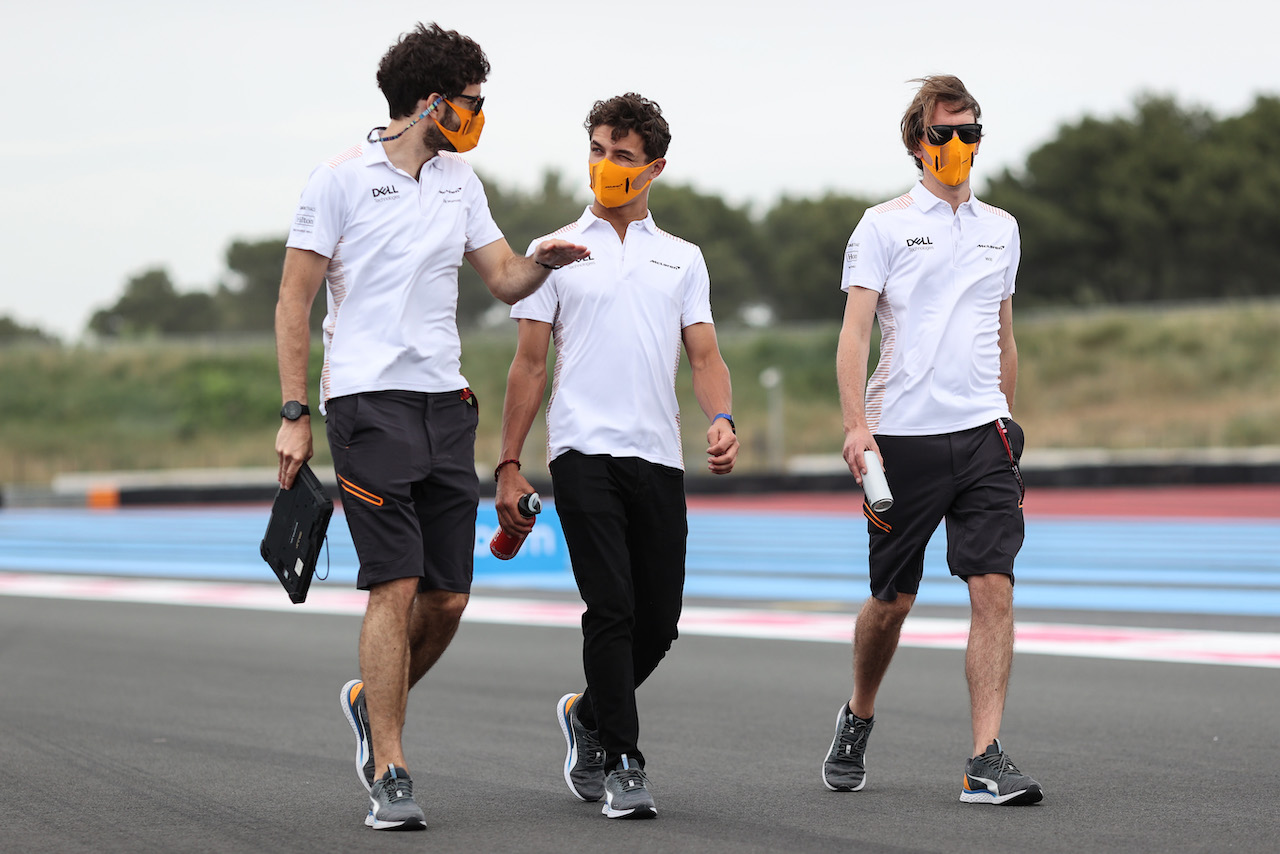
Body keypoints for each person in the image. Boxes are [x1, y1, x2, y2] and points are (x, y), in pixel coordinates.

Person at [273, 22, 588, 831]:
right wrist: (295, 413)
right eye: (472, 102)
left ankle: (371, 707)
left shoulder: (461, 180)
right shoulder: (338, 179)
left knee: (446, 599)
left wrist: (550, 257)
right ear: (431, 101)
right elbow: (293, 304)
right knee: (396, 582)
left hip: (445, 403)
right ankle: (392, 766)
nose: (480, 116)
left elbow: (505, 281)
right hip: (367, 404)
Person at [493, 93, 738, 820]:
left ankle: (591, 716)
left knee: (659, 621)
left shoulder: (681, 258)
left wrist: (720, 416)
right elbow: (529, 367)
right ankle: (625, 762)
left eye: (622, 155)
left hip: (657, 455)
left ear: (654, 167)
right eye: (597, 150)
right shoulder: (554, 251)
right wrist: (508, 463)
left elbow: (705, 355)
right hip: (581, 450)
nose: (606, 165)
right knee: (612, 606)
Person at [822, 75, 1042, 805]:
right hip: (904, 441)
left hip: (983, 436)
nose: (957, 146)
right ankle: (858, 713)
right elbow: (854, 336)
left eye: (969, 132)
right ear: (917, 141)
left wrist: (1006, 416)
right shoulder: (881, 225)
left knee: (994, 589)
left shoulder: (1002, 227)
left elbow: (1003, 333)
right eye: (943, 133)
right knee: (892, 600)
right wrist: (858, 427)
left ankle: (985, 757)